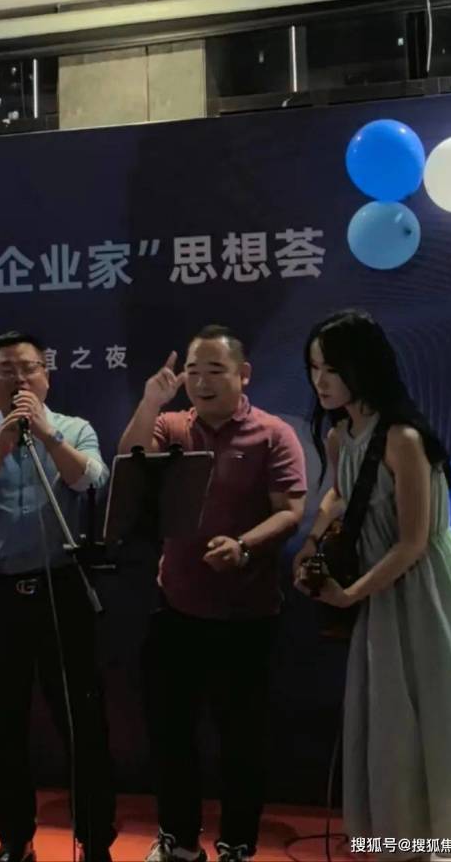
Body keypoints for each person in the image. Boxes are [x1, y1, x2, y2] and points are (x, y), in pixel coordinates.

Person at [294, 309, 451, 861]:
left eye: (331, 368)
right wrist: (312, 541)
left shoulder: (403, 438)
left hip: (421, 594)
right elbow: (340, 493)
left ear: (362, 366)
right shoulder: (342, 436)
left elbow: (414, 542)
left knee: (439, 713)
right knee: (390, 722)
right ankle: (402, 840)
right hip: (378, 591)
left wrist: (350, 594)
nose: (320, 381)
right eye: (314, 368)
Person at [119, 324, 307, 862]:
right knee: (170, 736)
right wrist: (151, 401)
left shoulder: (273, 434)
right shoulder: (172, 424)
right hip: (175, 609)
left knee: (241, 742)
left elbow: (291, 512)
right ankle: (179, 842)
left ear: (243, 374)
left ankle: (237, 845)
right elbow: (131, 464)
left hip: (248, 616)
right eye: (193, 372)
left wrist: (244, 545)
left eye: (215, 371)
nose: (201, 382)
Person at [0, 331, 116, 862]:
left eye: (29, 368)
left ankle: (94, 840)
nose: (19, 378)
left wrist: (46, 435)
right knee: (2, 725)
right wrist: (0, 446)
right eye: (6, 370)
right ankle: (15, 839)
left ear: (47, 376)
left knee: (82, 723)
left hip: (60, 590)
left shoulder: (73, 428)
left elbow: (93, 482)